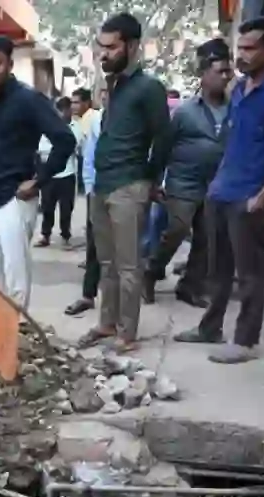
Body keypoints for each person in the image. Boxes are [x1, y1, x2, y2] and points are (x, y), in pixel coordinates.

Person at [174, 18, 264, 364]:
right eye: (240, 48)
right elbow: (234, 139)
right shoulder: (240, 88)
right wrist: (217, 182)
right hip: (221, 191)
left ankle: (245, 341)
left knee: (250, 273)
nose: (242, 55)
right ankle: (210, 328)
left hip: (252, 196)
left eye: (250, 48)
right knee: (217, 269)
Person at [79, 13, 170, 353]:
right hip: (102, 184)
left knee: (129, 265)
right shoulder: (114, 85)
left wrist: (150, 179)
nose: (103, 53)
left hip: (129, 185)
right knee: (107, 263)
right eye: (101, 47)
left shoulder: (149, 88)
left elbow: (164, 138)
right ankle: (107, 323)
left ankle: (127, 334)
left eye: (111, 47)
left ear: (131, 46)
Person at [0, 35, 76, 309]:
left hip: (14, 198)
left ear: (10, 65)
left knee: (15, 278)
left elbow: (65, 140)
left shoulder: (29, 99)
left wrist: (39, 181)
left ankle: (16, 330)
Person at [144, 39, 233, 308]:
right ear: (204, 75)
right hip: (183, 182)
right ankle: (151, 271)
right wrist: (154, 182)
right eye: (220, 71)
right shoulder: (184, 112)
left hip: (215, 184)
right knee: (177, 229)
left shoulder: (235, 109)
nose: (226, 76)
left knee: (206, 237)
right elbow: (162, 147)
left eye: (228, 71)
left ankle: (189, 286)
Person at [65, 90, 105, 316]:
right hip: (98, 191)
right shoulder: (97, 121)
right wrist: (90, 189)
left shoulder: (133, 120)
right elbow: (89, 158)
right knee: (94, 244)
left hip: (127, 192)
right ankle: (88, 295)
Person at [35, 97, 83, 249]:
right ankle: (45, 235)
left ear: (69, 111)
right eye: (59, 111)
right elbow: (41, 149)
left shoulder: (76, 127)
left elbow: (76, 147)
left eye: (64, 110)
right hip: (50, 175)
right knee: (47, 207)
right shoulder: (48, 127)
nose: (61, 114)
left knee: (66, 208)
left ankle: (65, 236)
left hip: (68, 174)